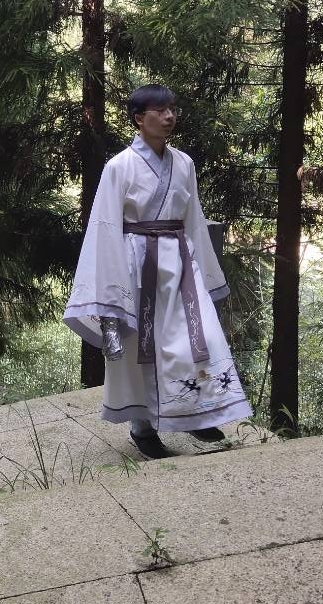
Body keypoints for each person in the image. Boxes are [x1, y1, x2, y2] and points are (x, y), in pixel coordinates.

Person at [64, 84, 252, 459]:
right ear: (139, 118)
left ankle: (197, 411)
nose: (169, 117)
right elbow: (104, 228)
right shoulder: (119, 167)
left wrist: (204, 272)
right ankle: (142, 427)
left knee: (196, 337)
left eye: (172, 110)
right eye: (160, 111)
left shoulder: (184, 164)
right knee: (141, 345)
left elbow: (194, 219)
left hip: (180, 261)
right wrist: (110, 297)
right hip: (137, 263)